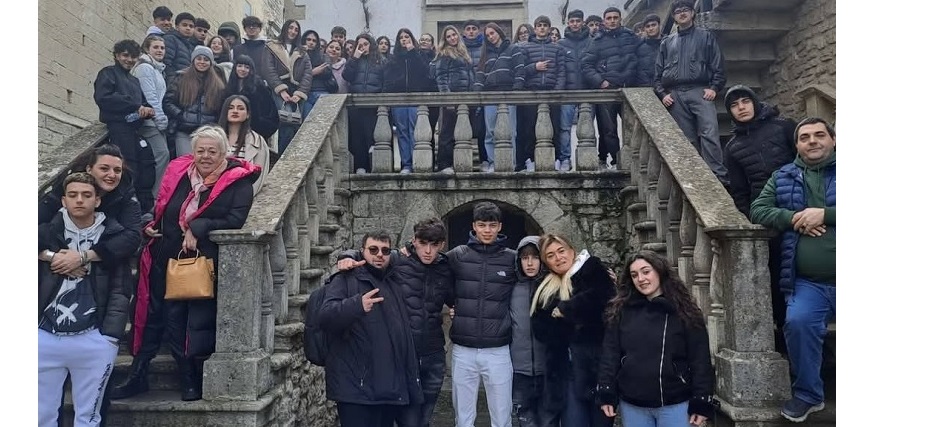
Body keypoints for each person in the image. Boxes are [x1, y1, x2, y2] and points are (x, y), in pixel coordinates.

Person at [119, 125, 260, 402]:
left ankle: (188, 378)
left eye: (212, 151)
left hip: (195, 262)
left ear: (224, 153)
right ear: (193, 152)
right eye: (200, 150)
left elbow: (235, 220)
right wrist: (151, 224)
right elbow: (163, 206)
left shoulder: (238, 182)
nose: (205, 156)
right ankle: (138, 374)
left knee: (180, 320)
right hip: (162, 254)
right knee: (149, 315)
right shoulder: (180, 173)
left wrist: (197, 226)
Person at [750, 117, 836, 423]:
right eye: (805, 137)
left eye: (819, 135)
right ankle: (809, 394)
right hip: (808, 282)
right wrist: (795, 218)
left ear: (833, 140)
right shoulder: (783, 175)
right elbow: (758, 209)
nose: (812, 141)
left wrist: (825, 214)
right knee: (798, 323)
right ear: (797, 145)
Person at [336, 218, 456, 427]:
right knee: (407, 419)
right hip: (404, 354)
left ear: (442, 245)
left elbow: (457, 296)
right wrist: (347, 256)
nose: (428, 250)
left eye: (434, 244)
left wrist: (457, 309)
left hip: (434, 354)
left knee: (424, 419)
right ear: (414, 241)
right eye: (423, 243)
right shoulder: (397, 260)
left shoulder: (445, 267)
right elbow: (370, 254)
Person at [38, 172, 132, 427]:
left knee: (88, 418)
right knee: (40, 416)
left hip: (94, 337)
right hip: (44, 335)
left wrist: (110, 337)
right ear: (63, 200)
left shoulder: (113, 237)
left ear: (97, 200)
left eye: (86, 195)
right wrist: (51, 256)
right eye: (73, 195)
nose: (79, 200)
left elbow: (121, 289)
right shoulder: (46, 233)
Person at [596, 250, 717, 427]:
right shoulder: (621, 311)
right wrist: (606, 389)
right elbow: (610, 353)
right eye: (634, 275)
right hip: (633, 403)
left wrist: (702, 398)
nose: (641, 279)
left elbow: (700, 358)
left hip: (675, 402)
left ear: (659, 271)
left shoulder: (685, 311)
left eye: (646, 271)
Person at [320, 231, 424, 427]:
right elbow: (325, 317)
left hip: (387, 389)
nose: (379, 255)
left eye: (385, 250)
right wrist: (356, 305)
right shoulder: (345, 279)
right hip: (357, 389)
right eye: (373, 250)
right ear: (362, 251)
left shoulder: (393, 280)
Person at [723, 86, 797, 348]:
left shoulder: (784, 127)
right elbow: (739, 191)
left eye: (745, 101)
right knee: (776, 278)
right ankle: (784, 335)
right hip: (766, 219)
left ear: (755, 102)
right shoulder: (732, 147)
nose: (741, 107)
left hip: (800, 207)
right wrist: (752, 220)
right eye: (735, 105)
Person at [529, 234, 616, 427]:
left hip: (599, 370)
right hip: (566, 373)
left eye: (561, 251)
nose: (558, 258)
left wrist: (566, 310)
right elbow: (541, 329)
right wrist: (575, 321)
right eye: (551, 255)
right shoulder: (544, 288)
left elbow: (604, 301)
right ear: (546, 262)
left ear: (572, 251)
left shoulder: (592, 268)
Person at [445, 201, 517, 427]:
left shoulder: (512, 258)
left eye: (492, 225)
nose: (487, 230)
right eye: (482, 225)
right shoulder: (458, 255)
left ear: (500, 227)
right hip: (463, 350)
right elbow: (432, 269)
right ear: (474, 226)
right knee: (463, 419)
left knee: (502, 418)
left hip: (498, 350)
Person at [39, 145, 143, 283]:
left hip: (103, 271)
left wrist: (83, 257)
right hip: (55, 270)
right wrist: (54, 257)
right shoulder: (66, 189)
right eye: (104, 168)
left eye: (117, 170)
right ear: (89, 169)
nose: (112, 175)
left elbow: (133, 237)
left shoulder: (126, 196)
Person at [655, 0, 729, 186]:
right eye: (678, 11)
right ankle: (694, 176)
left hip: (700, 90)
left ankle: (717, 175)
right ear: (674, 16)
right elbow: (657, 74)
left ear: (692, 13)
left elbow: (718, 65)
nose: (682, 13)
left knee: (709, 133)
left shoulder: (706, 37)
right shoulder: (667, 43)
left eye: (686, 10)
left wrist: (714, 88)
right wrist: (663, 94)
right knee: (686, 138)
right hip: (675, 95)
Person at [92, 39, 157, 213]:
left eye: (133, 57)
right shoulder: (108, 73)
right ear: (116, 55)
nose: (129, 60)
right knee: (127, 167)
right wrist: (135, 106)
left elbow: (144, 102)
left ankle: (143, 208)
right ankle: (123, 207)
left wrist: (148, 110)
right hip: (118, 128)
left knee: (145, 165)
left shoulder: (134, 81)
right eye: (125, 55)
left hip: (135, 129)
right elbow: (103, 98)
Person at [581, 6, 639, 171]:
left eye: (615, 17)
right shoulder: (597, 41)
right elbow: (586, 65)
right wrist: (600, 82)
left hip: (628, 88)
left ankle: (634, 160)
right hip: (607, 90)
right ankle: (616, 161)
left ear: (620, 19)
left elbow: (639, 59)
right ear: (604, 21)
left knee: (634, 128)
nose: (612, 21)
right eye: (609, 18)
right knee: (609, 130)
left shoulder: (630, 37)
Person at [510, 236, 556, 427]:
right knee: (525, 421)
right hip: (519, 371)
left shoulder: (553, 286)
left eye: (535, 257)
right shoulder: (511, 289)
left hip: (548, 370)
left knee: (549, 421)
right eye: (524, 258)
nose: (529, 263)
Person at [515, 15, 566, 172]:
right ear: (535, 28)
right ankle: (530, 159)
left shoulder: (558, 48)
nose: (542, 28)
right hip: (532, 92)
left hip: (552, 93)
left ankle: (555, 159)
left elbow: (561, 72)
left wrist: (557, 91)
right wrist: (534, 67)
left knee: (554, 127)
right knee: (530, 128)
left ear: (549, 29)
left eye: (545, 25)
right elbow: (520, 70)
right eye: (539, 25)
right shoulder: (525, 48)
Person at [473, 22, 523, 173]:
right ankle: (493, 162)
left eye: (492, 33)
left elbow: (519, 70)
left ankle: (510, 162)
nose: (490, 37)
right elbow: (480, 75)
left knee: (510, 131)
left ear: (499, 32)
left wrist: (517, 90)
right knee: (490, 132)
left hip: (508, 94)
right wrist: (477, 93)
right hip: (490, 96)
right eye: (487, 35)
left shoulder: (513, 49)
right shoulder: (485, 54)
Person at [383, 28, 434, 174]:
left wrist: (413, 52)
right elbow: (388, 78)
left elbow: (425, 71)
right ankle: (406, 164)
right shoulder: (394, 58)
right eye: (401, 37)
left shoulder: (419, 55)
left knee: (415, 130)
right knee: (402, 131)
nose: (404, 39)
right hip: (398, 99)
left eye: (407, 36)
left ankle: (417, 161)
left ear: (412, 38)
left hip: (415, 97)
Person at [163, 45, 227, 156]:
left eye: (206, 59)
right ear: (193, 60)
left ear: (211, 62)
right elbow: (168, 102)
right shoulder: (181, 78)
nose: (202, 62)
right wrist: (180, 115)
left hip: (208, 132)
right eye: (199, 58)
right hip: (184, 130)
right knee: (186, 161)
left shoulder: (218, 84)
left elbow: (221, 107)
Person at [431, 25, 475, 174]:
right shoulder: (444, 54)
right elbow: (441, 78)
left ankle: (458, 162)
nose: (452, 38)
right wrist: (447, 98)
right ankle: (444, 164)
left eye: (454, 35)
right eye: (448, 36)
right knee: (447, 132)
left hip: (466, 98)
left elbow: (471, 75)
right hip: (452, 98)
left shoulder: (464, 53)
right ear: (445, 39)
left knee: (461, 132)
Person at [132, 35, 171, 198]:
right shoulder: (145, 68)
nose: (160, 50)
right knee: (162, 154)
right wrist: (160, 119)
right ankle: (154, 197)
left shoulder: (157, 69)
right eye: (155, 47)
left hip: (154, 121)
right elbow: (151, 97)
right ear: (147, 49)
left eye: (162, 48)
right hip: (149, 121)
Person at [266, 19, 314, 153]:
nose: (293, 31)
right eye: (291, 28)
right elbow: (269, 69)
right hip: (280, 88)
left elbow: (307, 74)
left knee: (297, 123)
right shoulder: (272, 47)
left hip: (297, 90)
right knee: (286, 121)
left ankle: (295, 155)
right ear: (285, 28)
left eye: (296, 30)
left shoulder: (302, 52)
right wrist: (281, 90)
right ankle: (284, 156)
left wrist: (299, 94)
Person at [343, 33, 386, 174]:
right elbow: (347, 76)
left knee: (372, 136)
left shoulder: (381, 60)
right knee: (357, 136)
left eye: (365, 44)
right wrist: (355, 58)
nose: (363, 47)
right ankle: (360, 166)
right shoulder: (354, 60)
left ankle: (375, 166)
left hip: (373, 104)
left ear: (371, 45)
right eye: (360, 45)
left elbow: (386, 80)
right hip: (356, 103)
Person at [558, 9, 592, 172]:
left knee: (588, 128)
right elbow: (559, 68)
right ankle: (565, 158)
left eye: (578, 21)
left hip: (587, 91)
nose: (575, 24)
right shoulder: (561, 44)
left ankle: (587, 158)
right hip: (568, 92)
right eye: (572, 21)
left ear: (582, 22)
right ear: (568, 23)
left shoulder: (592, 42)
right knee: (564, 128)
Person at [219, 95, 271, 193]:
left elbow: (259, 175)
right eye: (230, 108)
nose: (235, 111)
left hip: (242, 193)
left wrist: (246, 196)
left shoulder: (257, 141)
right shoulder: (214, 137)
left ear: (247, 114)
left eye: (240, 108)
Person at [224, 54, 280, 143]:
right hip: (233, 131)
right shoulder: (229, 87)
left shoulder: (259, 87)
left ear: (251, 70)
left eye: (246, 67)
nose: (242, 69)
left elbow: (270, 110)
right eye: (240, 66)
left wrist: (261, 129)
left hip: (254, 132)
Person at [461, 20, 488, 170]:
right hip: (463, 93)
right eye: (468, 29)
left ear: (478, 31)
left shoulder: (485, 46)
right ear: (464, 32)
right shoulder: (459, 47)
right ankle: (462, 160)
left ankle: (485, 160)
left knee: (483, 129)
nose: (471, 31)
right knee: (462, 129)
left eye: (474, 29)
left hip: (481, 92)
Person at [162, 12, 198, 86]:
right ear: (177, 27)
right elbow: (166, 63)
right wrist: (174, 82)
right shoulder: (170, 39)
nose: (188, 28)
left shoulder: (191, 46)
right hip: (173, 84)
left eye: (191, 26)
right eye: (184, 25)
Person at [635, 14, 663, 87]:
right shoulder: (638, 47)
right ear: (645, 29)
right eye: (648, 26)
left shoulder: (668, 44)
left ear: (659, 26)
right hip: (643, 88)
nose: (651, 28)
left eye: (653, 25)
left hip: (664, 87)